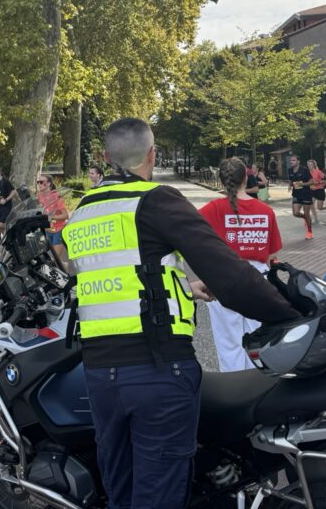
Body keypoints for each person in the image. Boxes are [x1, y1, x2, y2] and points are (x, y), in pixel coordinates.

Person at [62, 118, 299, 509]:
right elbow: (229, 274)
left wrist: (184, 288)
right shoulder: (155, 200)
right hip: (157, 369)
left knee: (122, 489)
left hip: (101, 375)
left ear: (105, 157)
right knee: (159, 494)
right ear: (152, 154)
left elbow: (117, 278)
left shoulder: (83, 211)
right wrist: (287, 313)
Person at [198, 157, 283, 372]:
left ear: (221, 179)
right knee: (259, 338)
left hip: (223, 278)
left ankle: (234, 385)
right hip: (258, 279)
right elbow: (272, 252)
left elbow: (190, 236)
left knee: (228, 342)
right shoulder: (265, 211)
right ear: (246, 177)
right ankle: (259, 382)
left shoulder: (212, 209)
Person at [36, 174, 69, 264]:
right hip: (48, 230)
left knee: (55, 260)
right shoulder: (39, 196)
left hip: (58, 230)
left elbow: (66, 216)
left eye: (41, 182)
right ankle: (66, 267)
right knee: (56, 262)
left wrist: (52, 217)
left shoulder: (56, 197)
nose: (39, 184)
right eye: (38, 182)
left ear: (49, 183)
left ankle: (66, 268)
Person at [287, 155, 314, 240]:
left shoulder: (304, 170)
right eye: (291, 160)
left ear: (298, 161)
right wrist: (290, 185)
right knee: (295, 213)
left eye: (293, 160)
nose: (291, 162)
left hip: (306, 194)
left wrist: (302, 184)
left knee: (306, 213)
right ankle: (306, 218)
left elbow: (312, 181)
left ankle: (309, 232)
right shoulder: (290, 170)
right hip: (296, 194)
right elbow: (291, 180)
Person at [0, 167, 16, 234]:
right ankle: (6, 238)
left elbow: (14, 191)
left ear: (0, 173)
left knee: (1, 224)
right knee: (0, 225)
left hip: (7, 206)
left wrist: (6, 200)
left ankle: (11, 234)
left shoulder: (5, 181)